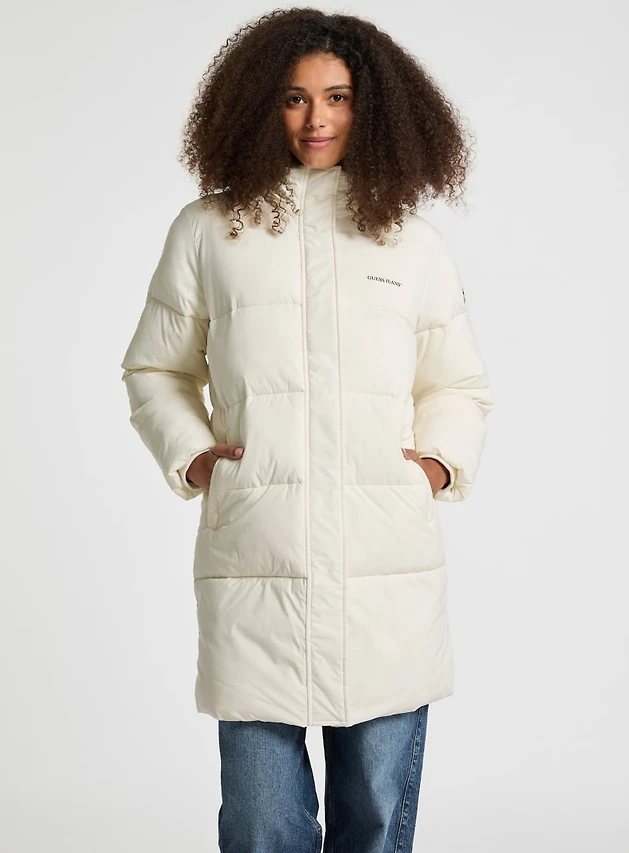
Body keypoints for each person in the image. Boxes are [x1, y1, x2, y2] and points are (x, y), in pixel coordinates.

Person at [120, 8, 494, 852]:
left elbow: (458, 383)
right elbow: (155, 369)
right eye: (294, 98)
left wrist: (435, 464)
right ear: (260, 106)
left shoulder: (412, 243)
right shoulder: (209, 231)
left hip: (385, 568)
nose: (316, 119)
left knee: (374, 821)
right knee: (261, 824)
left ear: (376, 108)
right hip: (259, 562)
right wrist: (195, 456)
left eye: (338, 97)